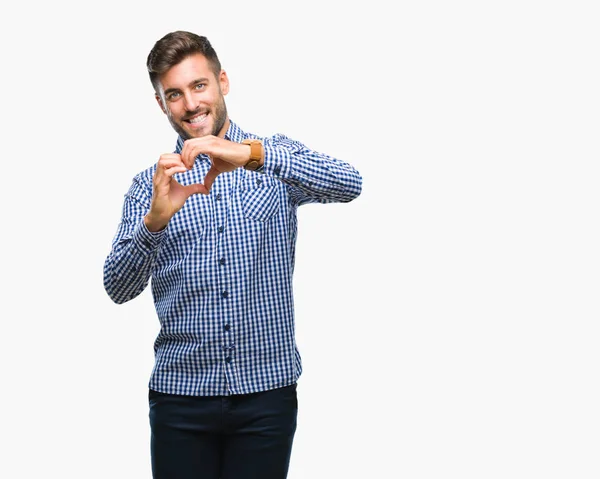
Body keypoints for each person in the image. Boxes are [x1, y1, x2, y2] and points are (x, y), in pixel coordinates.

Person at [103, 30, 362, 479]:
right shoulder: (150, 186)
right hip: (180, 399)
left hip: (266, 397)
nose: (190, 104)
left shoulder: (271, 159)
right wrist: (154, 223)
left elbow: (350, 183)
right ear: (162, 105)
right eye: (175, 94)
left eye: (199, 86)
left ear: (222, 82)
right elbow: (117, 288)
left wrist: (252, 155)